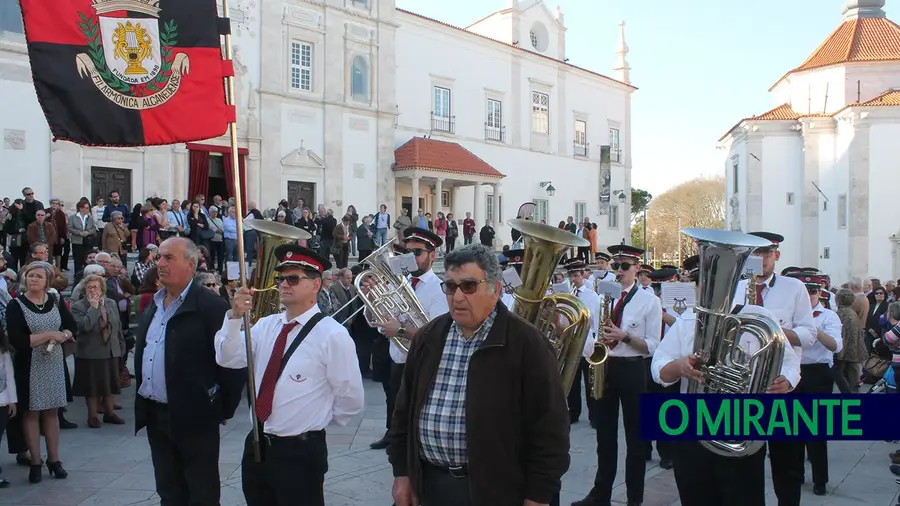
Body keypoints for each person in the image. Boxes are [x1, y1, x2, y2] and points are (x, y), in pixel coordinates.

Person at [388, 243, 570, 506]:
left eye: (469, 286)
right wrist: (402, 473)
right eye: (450, 286)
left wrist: (539, 495)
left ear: (495, 290)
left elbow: (550, 430)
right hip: (428, 484)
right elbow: (403, 412)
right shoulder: (429, 336)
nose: (458, 296)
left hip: (495, 491)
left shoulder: (528, 344)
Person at [218, 244, 365, 506]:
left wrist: (312, 424)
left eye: (293, 278)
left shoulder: (332, 334)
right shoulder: (266, 325)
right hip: (257, 444)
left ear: (316, 284)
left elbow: (350, 399)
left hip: (301, 452)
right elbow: (228, 358)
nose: (284, 284)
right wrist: (234, 317)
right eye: (280, 279)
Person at [651, 257, 801, 506]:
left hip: (742, 422)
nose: (710, 289)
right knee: (695, 495)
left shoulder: (761, 317)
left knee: (744, 496)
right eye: (703, 283)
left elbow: (789, 361)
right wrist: (678, 367)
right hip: (693, 423)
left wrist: (787, 380)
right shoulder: (688, 319)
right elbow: (658, 367)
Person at [134, 237, 246, 506]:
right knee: (168, 490)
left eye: (169, 258)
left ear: (191, 265)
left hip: (195, 417)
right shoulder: (155, 303)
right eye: (159, 257)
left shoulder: (210, 306)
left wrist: (220, 407)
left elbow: (231, 364)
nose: (159, 263)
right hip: (157, 413)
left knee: (201, 492)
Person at [573, 245, 662, 506]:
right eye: (616, 266)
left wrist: (624, 336)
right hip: (604, 365)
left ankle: (635, 498)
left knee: (636, 438)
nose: (620, 271)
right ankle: (600, 494)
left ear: (637, 268)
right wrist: (593, 342)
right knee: (604, 435)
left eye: (625, 266)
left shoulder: (650, 300)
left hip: (633, 368)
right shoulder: (603, 294)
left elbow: (653, 345)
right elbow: (589, 331)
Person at [733, 232, 816, 506]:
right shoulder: (734, 285)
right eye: (754, 252)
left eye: (765, 253)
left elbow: (808, 335)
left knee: (788, 464)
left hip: (783, 383)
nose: (760, 259)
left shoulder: (794, 287)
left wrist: (772, 330)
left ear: (776, 256)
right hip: (743, 385)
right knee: (745, 461)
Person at [370, 227, 450, 450]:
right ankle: (392, 434)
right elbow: (379, 319)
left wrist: (401, 331)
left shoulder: (439, 289)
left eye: (417, 253)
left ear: (432, 256)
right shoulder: (396, 284)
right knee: (393, 399)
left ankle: (414, 444)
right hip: (396, 355)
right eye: (407, 252)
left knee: (416, 406)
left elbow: (435, 334)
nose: (410, 257)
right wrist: (373, 304)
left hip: (422, 360)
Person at [5, 261, 76, 483]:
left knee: (52, 413)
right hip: (29, 366)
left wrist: (63, 335)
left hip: (53, 364)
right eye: (30, 275)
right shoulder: (16, 305)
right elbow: (19, 340)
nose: (33, 279)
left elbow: (71, 326)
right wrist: (50, 335)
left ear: (47, 282)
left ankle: (54, 460)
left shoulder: (54, 301)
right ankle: (36, 461)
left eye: (38, 276)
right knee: (31, 413)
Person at [785, 271, 841, 496]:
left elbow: (836, 347)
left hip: (818, 374)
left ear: (821, 293)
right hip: (793, 372)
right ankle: (796, 474)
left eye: (813, 291)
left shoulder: (828, 316)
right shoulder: (791, 315)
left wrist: (813, 329)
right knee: (792, 429)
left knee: (817, 431)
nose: (809, 296)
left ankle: (820, 480)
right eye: (805, 291)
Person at [70, 275, 126, 428]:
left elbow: (117, 326)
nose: (92, 290)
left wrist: (121, 346)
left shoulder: (110, 303)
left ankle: (109, 413)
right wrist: (93, 308)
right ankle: (92, 416)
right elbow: (84, 327)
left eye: (95, 287)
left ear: (102, 289)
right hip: (90, 353)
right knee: (93, 387)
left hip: (111, 351)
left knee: (111, 384)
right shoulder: (78, 306)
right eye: (89, 287)